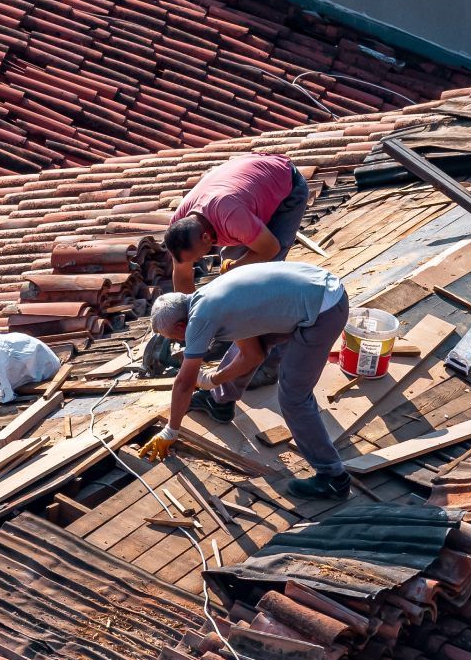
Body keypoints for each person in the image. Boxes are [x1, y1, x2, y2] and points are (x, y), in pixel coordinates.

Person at [137, 262, 350, 500]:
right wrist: (214, 380)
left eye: (175, 337)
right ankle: (220, 401)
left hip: (324, 310)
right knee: (269, 344)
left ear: (181, 325)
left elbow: (184, 383)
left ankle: (333, 479)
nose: (180, 342)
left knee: (294, 398)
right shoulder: (213, 299)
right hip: (320, 293)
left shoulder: (200, 318)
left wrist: (170, 430)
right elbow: (253, 354)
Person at [164, 154, 310, 294]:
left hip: (287, 184)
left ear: (206, 237)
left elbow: (271, 249)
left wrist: (234, 266)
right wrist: (189, 315)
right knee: (236, 274)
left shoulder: (231, 216)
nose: (197, 260)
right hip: (244, 196)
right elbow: (182, 277)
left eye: (195, 257)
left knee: (263, 271)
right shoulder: (179, 228)